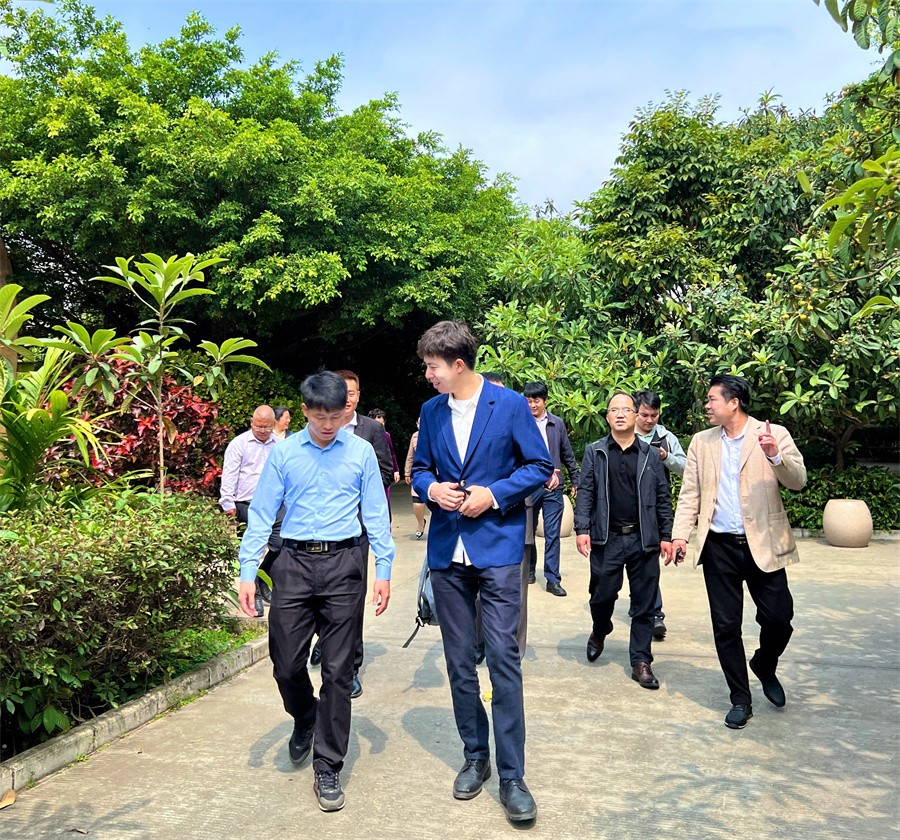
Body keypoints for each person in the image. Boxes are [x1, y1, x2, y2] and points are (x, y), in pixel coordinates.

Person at [411, 321, 552, 824]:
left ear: (458, 365)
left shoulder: (509, 405)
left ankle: (513, 776)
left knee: (503, 661)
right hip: (447, 555)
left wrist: (492, 495)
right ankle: (476, 757)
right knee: (458, 662)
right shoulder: (432, 411)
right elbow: (420, 469)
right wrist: (432, 490)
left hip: (498, 551)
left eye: (432, 367)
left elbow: (539, 467)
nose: (428, 375)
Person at [237, 371, 394, 812]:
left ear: (346, 411)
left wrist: (383, 569)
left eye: (336, 416)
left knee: (339, 672)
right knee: (286, 664)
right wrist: (248, 571)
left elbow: (376, 513)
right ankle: (305, 715)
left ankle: (328, 765)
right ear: (304, 411)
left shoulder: (361, 452)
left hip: (344, 564)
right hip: (293, 563)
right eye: (319, 416)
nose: (328, 425)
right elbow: (262, 513)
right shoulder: (285, 454)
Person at [671, 374, 806, 730]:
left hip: (763, 542)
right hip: (718, 547)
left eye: (712, 399)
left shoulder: (772, 433)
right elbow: (690, 493)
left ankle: (764, 663)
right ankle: (740, 699)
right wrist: (681, 535)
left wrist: (775, 456)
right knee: (726, 626)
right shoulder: (701, 442)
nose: (707, 405)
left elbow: (798, 481)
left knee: (779, 619)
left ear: (734, 402)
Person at [573, 392, 674, 690]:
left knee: (644, 603)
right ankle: (600, 628)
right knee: (601, 595)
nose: (620, 414)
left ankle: (641, 661)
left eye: (626, 410)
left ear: (635, 416)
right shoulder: (595, 451)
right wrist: (582, 528)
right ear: (607, 417)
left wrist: (667, 535)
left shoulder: (651, 455)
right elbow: (586, 491)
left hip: (644, 539)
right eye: (614, 410)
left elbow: (662, 497)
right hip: (607, 538)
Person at [309, 370, 394, 699]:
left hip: (356, 529)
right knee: (315, 594)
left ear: (359, 396)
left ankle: (351, 666)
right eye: (341, 392)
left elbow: (384, 472)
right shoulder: (315, 428)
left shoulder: (372, 430)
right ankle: (326, 638)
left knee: (351, 599)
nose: (346, 398)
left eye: (352, 393)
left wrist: (352, 493)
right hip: (315, 530)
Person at [631, 389, 686, 641]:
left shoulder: (665, 437)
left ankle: (655, 614)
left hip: (653, 510)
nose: (649, 420)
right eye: (644, 415)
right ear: (635, 413)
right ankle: (639, 602)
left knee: (649, 562)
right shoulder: (624, 435)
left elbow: (686, 467)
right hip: (625, 510)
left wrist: (666, 457)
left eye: (654, 415)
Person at [219, 405, 281, 617]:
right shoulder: (239, 444)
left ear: (274, 425)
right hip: (246, 503)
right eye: (259, 426)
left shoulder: (280, 445)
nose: (263, 431)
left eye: (267, 427)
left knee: (281, 544)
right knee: (250, 549)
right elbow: (229, 474)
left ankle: (264, 576)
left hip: (274, 504)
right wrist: (227, 503)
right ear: (251, 423)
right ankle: (254, 595)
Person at [522, 381, 580, 597]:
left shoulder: (557, 424)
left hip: (554, 487)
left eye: (536, 400)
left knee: (553, 534)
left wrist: (576, 480)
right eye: (528, 401)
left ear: (545, 400)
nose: (532, 405)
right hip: (529, 486)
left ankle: (553, 579)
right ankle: (529, 569)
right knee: (527, 531)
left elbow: (567, 454)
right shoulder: (521, 423)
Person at [368, 408, 402, 496]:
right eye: (378, 423)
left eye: (382, 423)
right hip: (370, 470)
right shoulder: (366, 435)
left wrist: (396, 470)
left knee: (385, 496)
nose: (380, 425)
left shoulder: (386, 435)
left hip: (384, 470)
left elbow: (392, 453)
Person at [404, 418, 428, 538]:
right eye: (419, 423)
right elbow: (410, 456)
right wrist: (407, 472)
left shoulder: (436, 433)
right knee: (417, 503)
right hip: (419, 473)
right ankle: (420, 523)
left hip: (436, 474)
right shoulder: (414, 437)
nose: (421, 425)